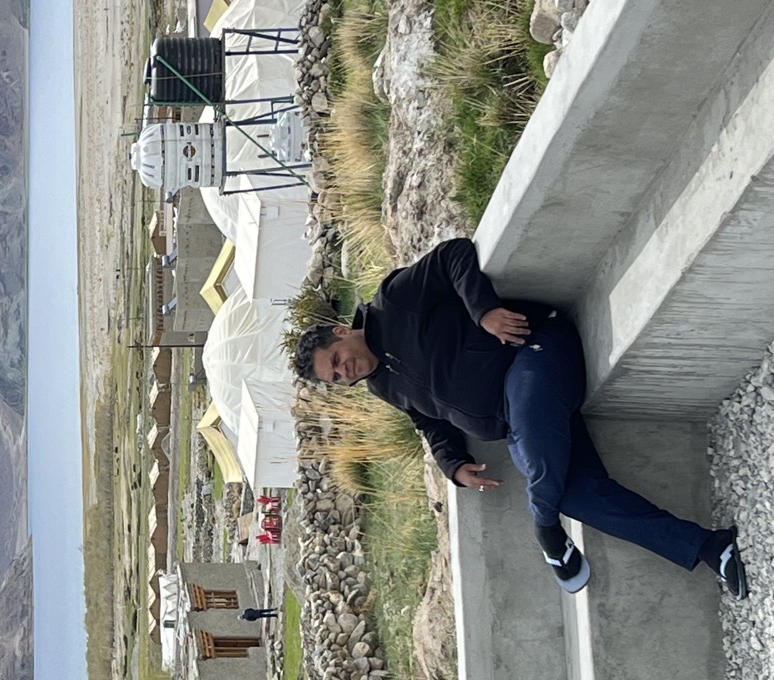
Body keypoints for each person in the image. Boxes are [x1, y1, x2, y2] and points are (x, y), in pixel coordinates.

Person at [291, 237, 747, 597]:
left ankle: (545, 528)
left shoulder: (394, 302)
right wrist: (453, 464)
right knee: (576, 495)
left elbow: (454, 254)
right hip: (518, 418)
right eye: (335, 378)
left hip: (534, 354)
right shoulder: (380, 385)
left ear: (340, 332)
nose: (343, 372)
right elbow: (428, 421)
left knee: (535, 443)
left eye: (336, 360)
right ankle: (708, 547)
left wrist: (484, 311)